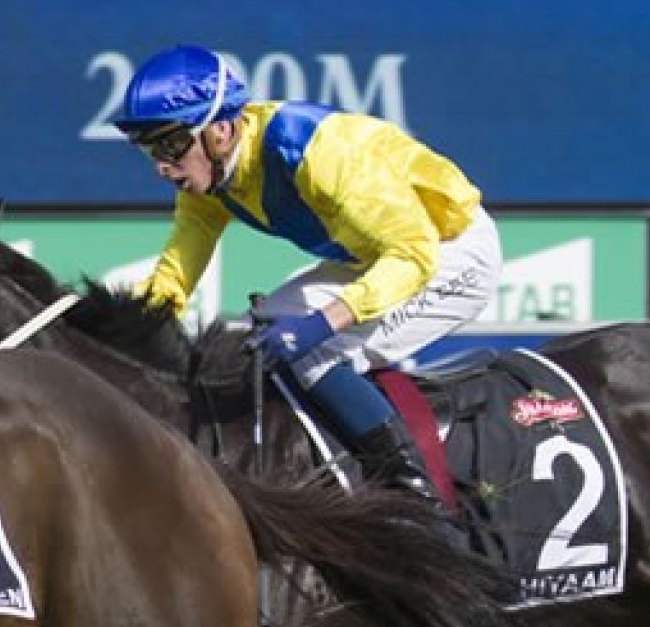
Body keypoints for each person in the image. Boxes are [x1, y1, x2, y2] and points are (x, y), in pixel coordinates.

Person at [111, 44, 501, 502]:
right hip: (376, 257)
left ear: (219, 130)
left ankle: (414, 492)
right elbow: (172, 279)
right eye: (150, 149)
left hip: (449, 253)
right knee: (255, 336)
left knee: (315, 350)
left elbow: (413, 255)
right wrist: (113, 326)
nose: (162, 166)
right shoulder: (209, 184)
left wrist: (323, 323)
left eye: (171, 145)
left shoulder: (315, 154)